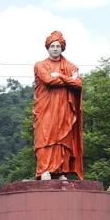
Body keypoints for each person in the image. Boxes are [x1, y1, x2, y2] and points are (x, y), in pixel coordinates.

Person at [33, 31, 83, 180]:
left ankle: (61, 171)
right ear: (47, 48)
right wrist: (69, 80)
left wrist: (60, 76)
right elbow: (48, 80)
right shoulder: (40, 65)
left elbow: (78, 83)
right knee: (44, 136)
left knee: (63, 138)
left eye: (58, 46)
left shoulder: (69, 66)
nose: (55, 49)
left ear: (62, 48)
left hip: (63, 109)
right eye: (52, 46)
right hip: (45, 108)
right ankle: (44, 170)